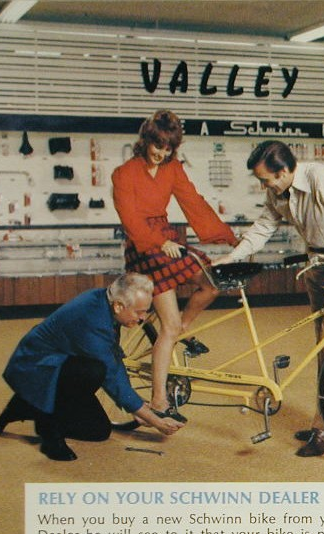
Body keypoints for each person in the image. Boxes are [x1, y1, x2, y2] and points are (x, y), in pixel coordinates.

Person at [212, 140, 324, 457]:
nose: (264, 186)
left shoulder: (318, 178)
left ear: (284, 170)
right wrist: (232, 257)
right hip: (317, 264)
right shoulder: (277, 191)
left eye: (266, 179)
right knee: (323, 346)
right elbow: (263, 228)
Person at [112, 110, 237, 423]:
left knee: (210, 281)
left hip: (167, 239)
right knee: (166, 327)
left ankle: (182, 329)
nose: (162, 153)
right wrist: (157, 243)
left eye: (168, 148)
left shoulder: (172, 168)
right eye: (158, 145)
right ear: (147, 140)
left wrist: (230, 237)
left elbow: (194, 203)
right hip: (143, 248)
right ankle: (158, 399)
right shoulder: (124, 173)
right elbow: (130, 221)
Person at [0, 273, 185, 461]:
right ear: (119, 306)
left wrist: (137, 408)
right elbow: (111, 375)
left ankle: (25, 405)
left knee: (98, 431)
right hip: (36, 367)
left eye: (146, 311)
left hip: (63, 362)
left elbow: (114, 359)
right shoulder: (92, 318)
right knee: (94, 371)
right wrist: (154, 420)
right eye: (139, 312)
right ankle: (48, 430)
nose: (143, 318)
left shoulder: (107, 302)